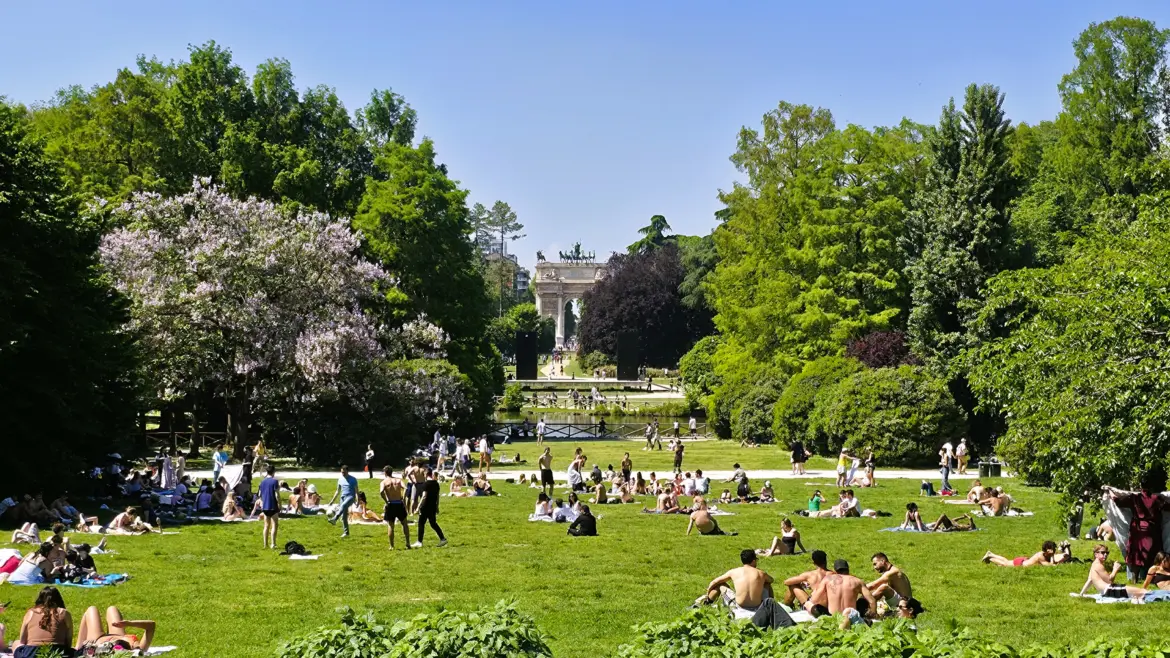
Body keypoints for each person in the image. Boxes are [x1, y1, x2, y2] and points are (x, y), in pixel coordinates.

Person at [1103, 471, 1170, 581]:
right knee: (1153, 553)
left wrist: (1111, 494)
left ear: (1140, 486)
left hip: (1137, 530)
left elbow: (1118, 502)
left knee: (1136, 554)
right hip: (1152, 530)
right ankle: (1152, 576)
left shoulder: (1135, 498)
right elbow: (1167, 507)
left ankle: (1134, 578)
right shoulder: (1156, 499)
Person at [697, 549, 774, 615]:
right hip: (757, 606)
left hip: (739, 606)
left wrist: (708, 592)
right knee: (767, 583)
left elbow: (714, 582)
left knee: (721, 585)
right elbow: (771, 580)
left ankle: (707, 602)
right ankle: (771, 606)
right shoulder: (761, 573)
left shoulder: (734, 571)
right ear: (753, 561)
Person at [805, 559, 877, 629]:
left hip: (833, 617)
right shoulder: (857, 581)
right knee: (862, 601)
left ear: (835, 571)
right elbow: (872, 601)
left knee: (808, 604)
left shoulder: (827, 579)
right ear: (848, 569)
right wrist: (872, 614)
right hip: (850, 617)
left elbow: (814, 599)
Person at [12, 586, 73, 658]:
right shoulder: (64, 613)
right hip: (58, 652)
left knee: (16, 643)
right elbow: (68, 640)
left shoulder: (31, 612)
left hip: (32, 653)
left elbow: (22, 640)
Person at [75, 605, 156, 654]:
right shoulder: (137, 651)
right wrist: (129, 623)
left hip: (98, 640)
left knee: (91, 610)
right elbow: (151, 625)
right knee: (112, 609)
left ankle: (77, 648)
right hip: (120, 636)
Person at [1079, 543, 1147, 600]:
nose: (1105, 554)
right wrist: (1115, 569)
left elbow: (1090, 580)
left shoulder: (1094, 564)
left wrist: (1081, 594)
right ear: (1096, 554)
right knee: (1142, 591)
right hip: (1110, 590)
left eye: (1107, 553)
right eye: (1103, 552)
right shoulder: (1098, 565)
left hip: (1107, 591)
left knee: (1138, 592)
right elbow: (1109, 581)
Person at [412, 469, 446, 548]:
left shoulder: (426, 484)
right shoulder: (436, 484)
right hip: (433, 506)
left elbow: (424, 496)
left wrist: (418, 507)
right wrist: (437, 506)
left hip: (425, 506)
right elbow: (437, 496)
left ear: (426, 474)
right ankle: (442, 539)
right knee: (433, 523)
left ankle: (419, 542)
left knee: (421, 523)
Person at [327, 465, 359, 538]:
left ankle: (335, 518)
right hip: (343, 498)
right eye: (342, 472)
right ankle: (346, 533)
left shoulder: (353, 479)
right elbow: (337, 491)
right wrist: (332, 501)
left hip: (351, 497)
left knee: (344, 505)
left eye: (344, 472)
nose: (343, 474)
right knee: (344, 516)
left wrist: (358, 500)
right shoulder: (340, 479)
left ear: (347, 471)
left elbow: (357, 491)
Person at [982, 540, 1067, 567]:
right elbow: (1051, 566)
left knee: (1006, 561)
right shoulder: (1041, 556)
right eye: (1052, 549)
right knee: (1005, 564)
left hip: (1024, 560)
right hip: (1021, 564)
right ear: (1047, 550)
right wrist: (1052, 556)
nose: (1054, 551)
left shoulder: (1045, 554)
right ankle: (990, 558)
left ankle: (991, 554)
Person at [258, 464, 281, 549]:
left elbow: (260, 495)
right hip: (273, 505)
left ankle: (265, 544)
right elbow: (277, 494)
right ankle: (273, 544)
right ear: (274, 472)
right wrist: (280, 504)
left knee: (266, 525)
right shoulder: (275, 481)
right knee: (274, 525)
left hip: (265, 506)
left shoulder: (262, 482)